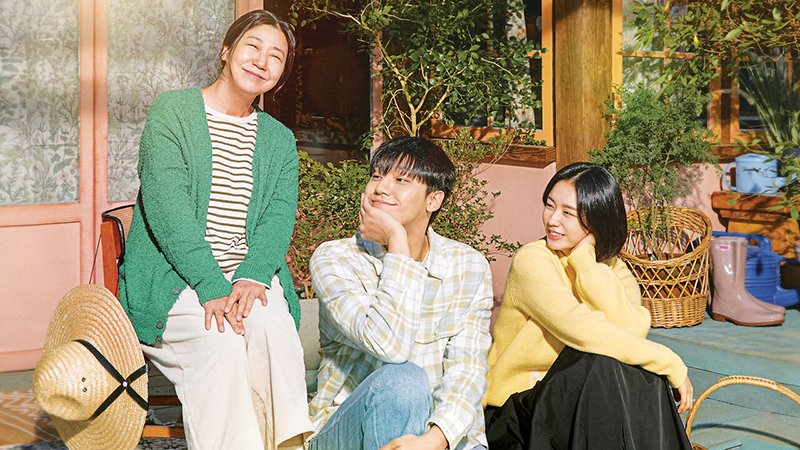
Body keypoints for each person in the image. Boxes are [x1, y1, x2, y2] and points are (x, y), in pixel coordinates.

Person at [118, 10, 312, 450]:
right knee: (220, 341)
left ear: (281, 74)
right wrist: (210, 283)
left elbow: (278, 217)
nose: (261, 61)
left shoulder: (279, 139)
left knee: (273, 330)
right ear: (226, 50)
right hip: (178, 278)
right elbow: (168, 210)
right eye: (253, 46)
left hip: (247, 276)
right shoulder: (173, 111)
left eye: (276, 56)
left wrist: (254, 274)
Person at [483, 162, 694, 450]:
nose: (553, 220)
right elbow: (583, 330)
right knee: (600, 360)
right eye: (550, 205)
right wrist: (670, 362)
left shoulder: (613, 268)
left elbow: (631, 332)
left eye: (568, 213)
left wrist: (585, 262)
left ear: (596, 219)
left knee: (636, 370)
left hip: (583, 405)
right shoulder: (533, 260)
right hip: (518, 413)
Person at [308, 136, 493, 450]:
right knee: (405, 379)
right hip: (347, 432)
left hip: (438, 436)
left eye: (401, 180)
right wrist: (397, 241)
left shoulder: (468, 266)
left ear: (433, 200)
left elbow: (467, 370)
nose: (381, 188)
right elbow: (389, 347)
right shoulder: (336, 259)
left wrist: (435, 439)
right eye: (377, 176)